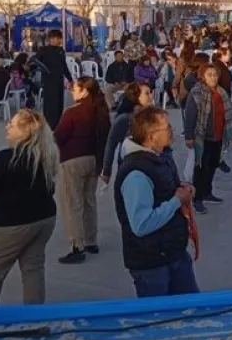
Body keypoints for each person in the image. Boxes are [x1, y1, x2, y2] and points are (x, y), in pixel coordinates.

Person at [0, 109, 59, 305]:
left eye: (11, 125)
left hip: (10, 223)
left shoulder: (7, 157)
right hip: (44, 218)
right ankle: (34, 317)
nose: (7, 127)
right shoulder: (45, 154)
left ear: (25, 131)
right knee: (33, 269)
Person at [114, 106, 199, 297]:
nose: (172, 131)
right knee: (159, 318)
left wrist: (182, 189)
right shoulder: (136, 173)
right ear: (152, 136)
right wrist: (177, 200)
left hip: (172, 251)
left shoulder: (159, 157)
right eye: (167, 128)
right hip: (151, 262)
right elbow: (142, 224)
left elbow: (165, 189)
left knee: (192, 308)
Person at [55, 77, 111, 264]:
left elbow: (59, 136)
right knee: (89, 201)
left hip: (73, 159)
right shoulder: (100, 111)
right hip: (94, 159)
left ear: (84, 91)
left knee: (73, 203)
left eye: (75, 89)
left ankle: (76, 246)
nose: (72, 91)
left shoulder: (73, 112)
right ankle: (91, 240)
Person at [185, 64, 232, 214]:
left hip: (219, 135)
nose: (213, 77)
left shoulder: (221, 93)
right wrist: (189, 136)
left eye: (215, 74)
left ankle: (207, 192)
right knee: (201, 167)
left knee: (213, 164)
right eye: (210, 74)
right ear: (203, 76)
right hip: (203, 136)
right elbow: (190, 116)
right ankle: (197, 198)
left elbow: (229, 115)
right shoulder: (196, 93)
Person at [102, 82, 153, 183]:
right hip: (129, 164)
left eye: (150, 93)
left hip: (150, 163)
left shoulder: (152, 115)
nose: (151, 96)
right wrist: (107, 171)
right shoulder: (124, 118)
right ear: (136, 96)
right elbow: (111, 144)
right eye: (147, 93)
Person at [34, 29, 72, 129]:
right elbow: (35, 61)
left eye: (59, 38)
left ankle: (58, 125)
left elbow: (64, 66)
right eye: (54, 38)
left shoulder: (60, 51)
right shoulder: (43, 50)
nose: (57, 40)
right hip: (48, 82)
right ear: (50, 39)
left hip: (59, 81)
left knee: (59, 104)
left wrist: (70, 79)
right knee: (50, 105)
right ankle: (48, 126)